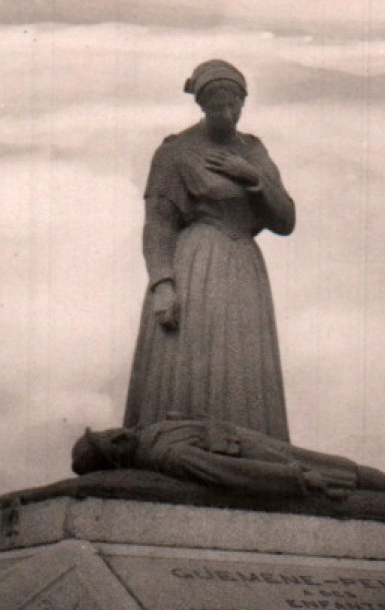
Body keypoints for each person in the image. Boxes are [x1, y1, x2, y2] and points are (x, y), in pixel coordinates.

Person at [123, 60, 296, 441]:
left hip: (245, 268)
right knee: (193, 361)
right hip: (197, 264)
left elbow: (285, 220)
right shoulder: (176, 152)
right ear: (202, 106)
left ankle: (254, 455)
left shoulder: (253, 151)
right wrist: (163, 283)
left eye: (235, 106)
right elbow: (159, 223)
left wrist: (255, 180)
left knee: (242, 363)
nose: (228, 114)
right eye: (219, 107)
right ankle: (186, 448)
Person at [72, 419, 385, 501]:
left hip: (246, 438)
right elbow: (230, 472)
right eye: (103, 439)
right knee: (337, 469)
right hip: (258, 455)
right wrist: (294, 478)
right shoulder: (168, 455)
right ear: (115, 453)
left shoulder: (148, 433)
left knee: (339, 464)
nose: (111, 431)